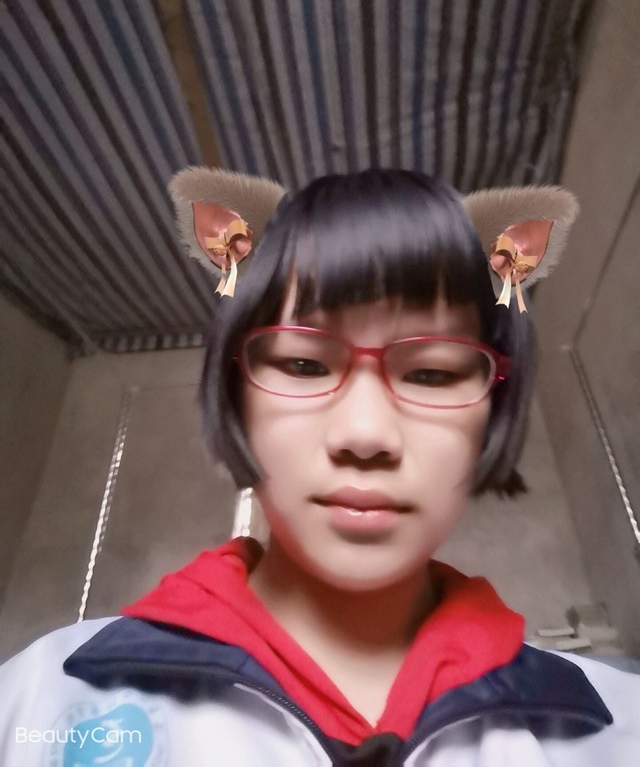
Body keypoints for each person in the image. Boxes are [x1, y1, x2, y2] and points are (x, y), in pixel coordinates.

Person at [1, 168, 638, 766]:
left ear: (493, 410)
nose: (365, 434)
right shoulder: (38, 704)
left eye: (432, 374)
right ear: (237, 394)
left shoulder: (615, 729)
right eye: (303, 365)